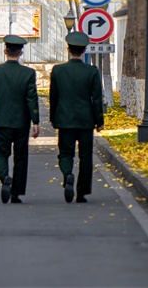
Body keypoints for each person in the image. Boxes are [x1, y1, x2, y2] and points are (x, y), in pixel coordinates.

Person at [0, 34, 40, 204]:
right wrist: (35, 121)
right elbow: (31, 98)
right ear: (21, 53)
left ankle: (5, 177)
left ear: (5, 51)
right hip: (22, 123)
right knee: (21, 157)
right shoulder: (28, 73)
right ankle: (16, 193)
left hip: (1, 121)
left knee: (0, 153)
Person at [49, 31, 105, 204]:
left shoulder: (58, 70)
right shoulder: (92, 72)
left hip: (65, 119)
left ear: (68, 49)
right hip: (86, 120)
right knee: (86, 156)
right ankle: (81, 192)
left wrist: (53, 118)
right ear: (84, 50)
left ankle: (68, 174)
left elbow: (53, 97)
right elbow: (96, 98)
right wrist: (99, 121)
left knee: (65, 153)